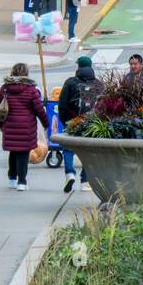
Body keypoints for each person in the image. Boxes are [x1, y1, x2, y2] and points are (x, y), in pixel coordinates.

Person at [0, 62, 48, 191]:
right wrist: (45, 123)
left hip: (9, 124)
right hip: (26, 126)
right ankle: (22, 182)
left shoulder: (5, 88)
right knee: (23, 153)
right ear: (26, 73)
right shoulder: (31, 90)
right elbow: (39, 109)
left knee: (13, 151)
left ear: (12, 72)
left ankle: (12, 179)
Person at [57, 56, 102, 193]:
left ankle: (70, 173)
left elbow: (62, 104)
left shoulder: (70, 82)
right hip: (92, 122)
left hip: (72, 119)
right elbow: (103, 105)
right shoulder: (99, 84)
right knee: (89, 152)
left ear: (78, 67)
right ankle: (85, 181)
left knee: (68, 149)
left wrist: (64, 119)